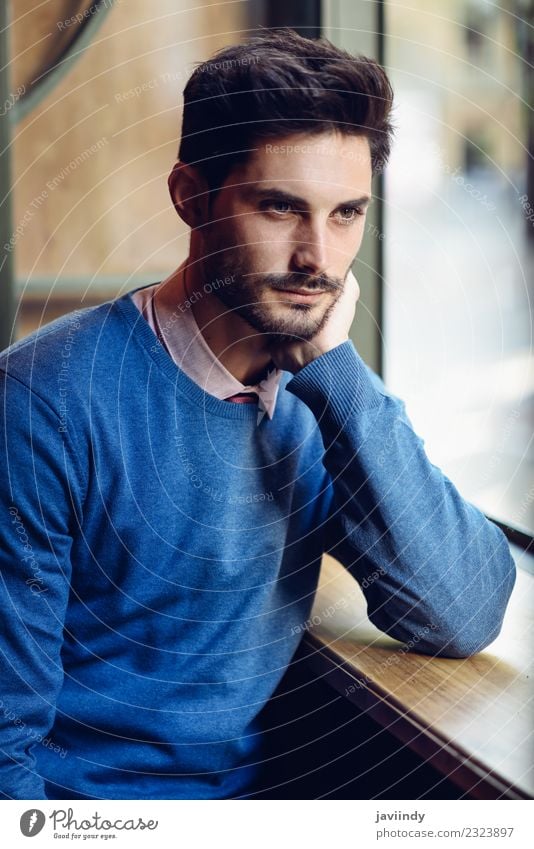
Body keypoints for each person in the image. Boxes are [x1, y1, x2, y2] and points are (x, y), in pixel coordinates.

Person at [0, 29, 515, 801]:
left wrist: (338, 374)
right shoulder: (42, 404)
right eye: (281, 207)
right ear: (190, 197)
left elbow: (464, 609)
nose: (318, 258)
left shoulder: (321, 394)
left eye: (347, 214)